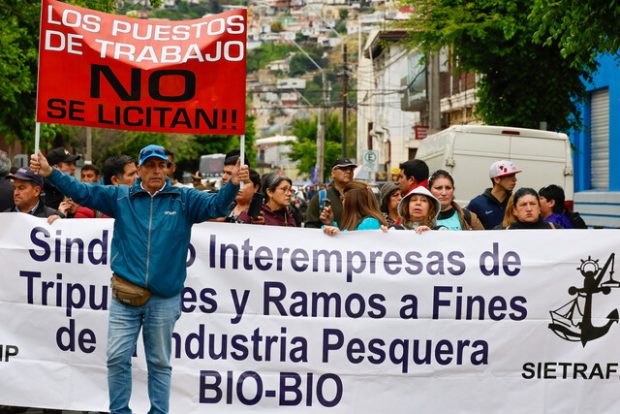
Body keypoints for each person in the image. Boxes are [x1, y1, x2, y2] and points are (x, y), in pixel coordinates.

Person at [30, 144, 249, 414]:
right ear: (140, 170)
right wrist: (51, 172)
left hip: (165, 300)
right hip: (126, 297)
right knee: (117, 357)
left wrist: (232, 186)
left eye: (161, 165)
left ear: (167, 169)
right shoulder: (121, 197)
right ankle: (120, 411)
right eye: (150, 166)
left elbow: (216, 205)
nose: (156, 171)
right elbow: (83, 192)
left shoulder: (184, 199)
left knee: (159, 362)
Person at [467, 159, 521, 229]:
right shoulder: (476, 204)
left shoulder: (516, 202)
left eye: (514, 175)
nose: (515, 179)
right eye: (510, 175)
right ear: (497, 179)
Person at [304, 158, 357, 228]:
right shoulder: (321, 197)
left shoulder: (359, 196)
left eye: (351, 169)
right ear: (333, 173)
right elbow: (309, 226)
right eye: (343, 168)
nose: (349, 171)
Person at [323, 180, 387, 235]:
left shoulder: (369, 223)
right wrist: (330, 224)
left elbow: (357, 245)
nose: (342, 202)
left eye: (344, 198)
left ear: (351, 202)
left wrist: (341, 237)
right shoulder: (361, 222)